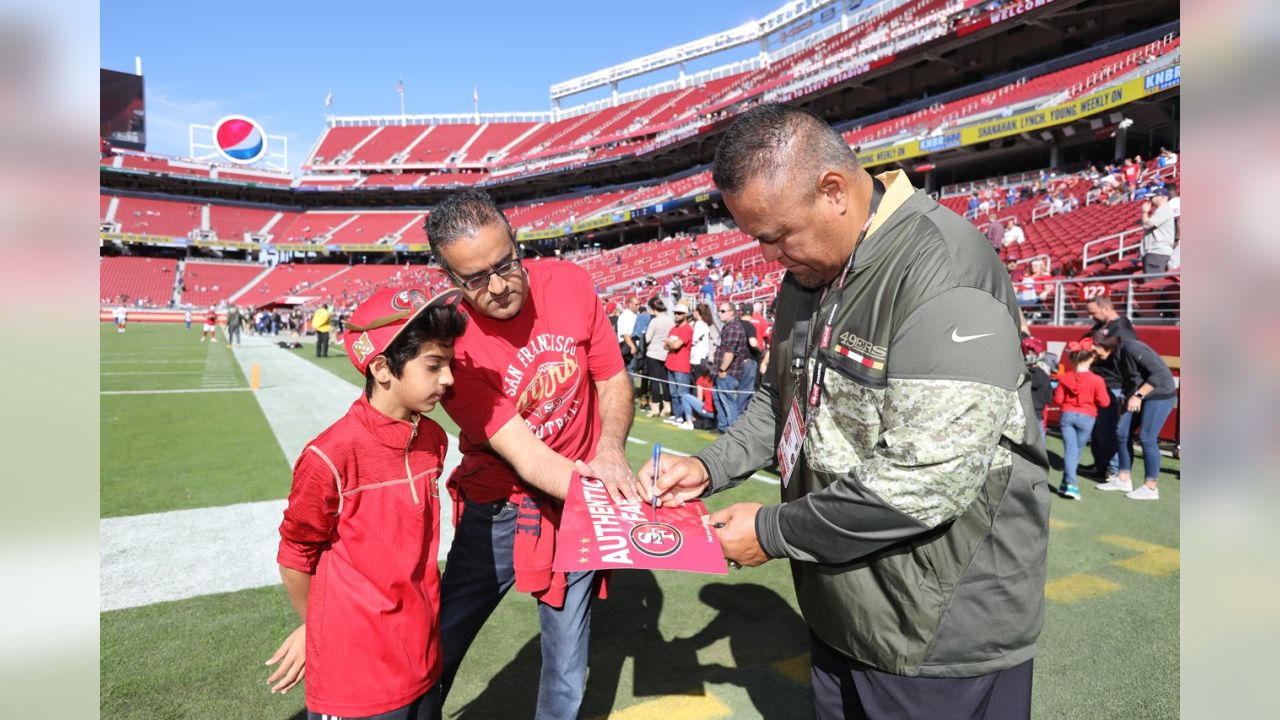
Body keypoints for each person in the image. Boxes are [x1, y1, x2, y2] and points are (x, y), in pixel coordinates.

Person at [642, 104, 1050, 719]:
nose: (772, 257)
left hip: (935, 631)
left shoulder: (942, 269)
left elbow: (923, 481)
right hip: (841, 606)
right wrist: (709, 467)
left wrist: (771, 531)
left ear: (833, 191)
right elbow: (782, 401)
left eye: (778, 236)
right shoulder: (810, 273)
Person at [424, 190, 640, 719]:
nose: (498, 287)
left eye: (504, 265)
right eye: (475, 279)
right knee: (439, 644)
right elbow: (529, 458)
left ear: (517, 241)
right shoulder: (457, 344)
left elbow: (611, 377)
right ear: (450, 280)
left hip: (578, 501)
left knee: (567, 665)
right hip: (500, 507)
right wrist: (621, 498)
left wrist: (610, 452)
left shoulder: (568, 282)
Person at [269, 286, 467, 720]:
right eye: (434, 365)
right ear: (381, 368)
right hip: (356, 676)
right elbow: (295, 556)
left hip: (423, 657)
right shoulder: (330, 455)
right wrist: (316, 626)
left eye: (449, 363)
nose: (448, 378)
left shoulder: (433, 439)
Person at [1091, 332, 1177, 501]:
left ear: (1104, 346)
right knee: (1122, 432)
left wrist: (1137, 396)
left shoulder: (1131, 347)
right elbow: (1131, 380)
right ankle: (1123, 479)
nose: (1095, 355)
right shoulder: (1114, 357)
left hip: (1160, 394)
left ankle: (1151, 487)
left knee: (1147, 438)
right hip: (1139, 395)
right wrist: (1127, 398)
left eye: (1096, 350)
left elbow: (1159, 374)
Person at [1081, 295, 1137, 481]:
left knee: (1109, 429)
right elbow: (1085, 340)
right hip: (1098, 382)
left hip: (1113, 384)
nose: (1091, 317)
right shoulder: (1100, 326)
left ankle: (1115, 470)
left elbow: (1121, 353)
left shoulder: (1121, 327)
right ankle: (1101, 465)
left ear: (1104, 308)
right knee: (1098, 430)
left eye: (1093, 313)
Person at [1053, 338, 1111, 500]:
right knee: (1075, 452)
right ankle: (1071, 484)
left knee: (1072, 451)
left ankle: (1066, 484)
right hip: (1087, 417)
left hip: (1067, 416)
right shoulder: (1097, 380)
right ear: (1091, 358)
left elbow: (1058, 400)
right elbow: (1104, 402)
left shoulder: (1065, 378)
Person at [712, 302, 750, 433]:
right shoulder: (728, 327)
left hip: (729, 372)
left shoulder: (733, 327)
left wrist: (723, 369)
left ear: (731, 312)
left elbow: (730, 352)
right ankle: (723, 427)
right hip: (723, 372)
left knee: (728, 402)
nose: (719, 313)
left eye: (723, 311)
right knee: (719, 399)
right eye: (719, 310)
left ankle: (732, 432)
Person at [662, 302, 694, 426]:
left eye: (679, 313)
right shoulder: (673, 328)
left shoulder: (687, 329)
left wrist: (670, 343)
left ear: (685, 315)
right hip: (670, 363)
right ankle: (677, 415)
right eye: (675, 313)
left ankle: (685, 417)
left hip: (681, 366)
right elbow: (665, 346)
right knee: (674, 393)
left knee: (682, 393)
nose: (676, 315)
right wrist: (670, 344)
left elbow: (675, 345)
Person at [644, 296, 674, 417]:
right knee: (664, 381)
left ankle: (655, 408)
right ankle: (667, 407)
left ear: (654, 308)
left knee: (654, 382)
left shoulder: (654, 321)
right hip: (665, 353)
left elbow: (647, 338)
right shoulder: (670, 320)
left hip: (653, 353)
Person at [1022, 336, 1052, 442]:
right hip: (1038, 414)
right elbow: (1049, 399)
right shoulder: (1044, 375)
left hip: (1023, 412)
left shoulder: (1021, 374)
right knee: (1040, 442)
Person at [1139, 187, 1176, 274]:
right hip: (1155, 252)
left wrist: (1144, 212)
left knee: (1154, 282)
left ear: (1162, 197)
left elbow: (1147, 225)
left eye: (1153, 197)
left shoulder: (1164, 209)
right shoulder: (1161, 210)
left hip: (1157, 252)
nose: (1150, 199)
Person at [689, 302, 717, 375]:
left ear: (698, 312)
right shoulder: (703, 324)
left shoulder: (699, 324)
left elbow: (693, 340)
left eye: (694, 311)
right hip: (702, 356)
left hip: (697, 357)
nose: (693, 313)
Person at [616, 296, 639, 368]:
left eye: (639, 304)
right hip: (628, 346)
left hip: (632, 345)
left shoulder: (634, 315)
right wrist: (632, 346)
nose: (638, 306)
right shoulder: (625, 316)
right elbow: (624, 333)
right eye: (636, 304)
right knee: (629, 370)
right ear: (630, 304)